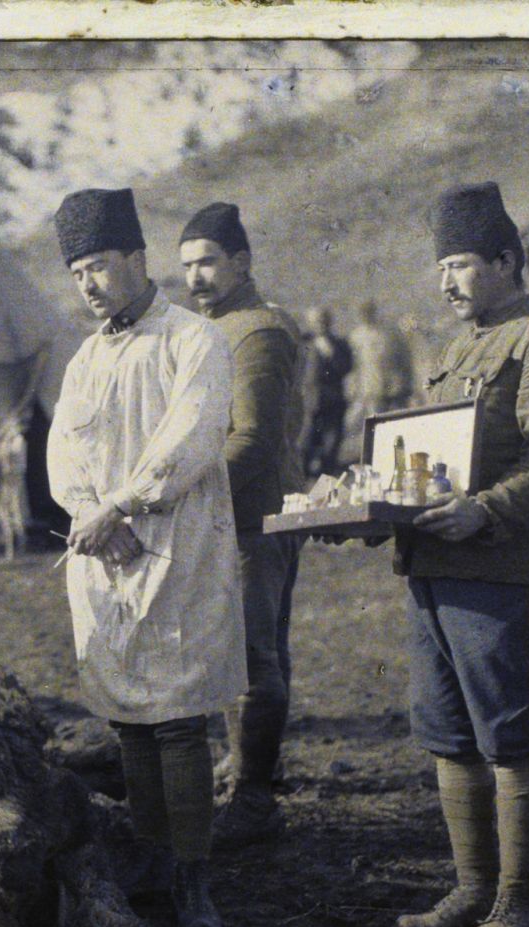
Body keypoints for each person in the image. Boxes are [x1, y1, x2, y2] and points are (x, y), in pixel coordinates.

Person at [392, 182, 529, 927]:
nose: (446, 282)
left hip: (496, 568)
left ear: (508, 261)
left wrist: (487, 511)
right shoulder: (450, 351)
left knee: (504, 732)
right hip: (432, 569)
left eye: (463, 264)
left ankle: (520, 901)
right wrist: (377, 508)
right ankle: (472, 889)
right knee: (445, 732)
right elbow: (426, 462)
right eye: (441, 266)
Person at [46, 187, 242, 927]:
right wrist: (92, 515)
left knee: (179, 720)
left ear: (136, 259)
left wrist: (124, 505)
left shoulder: (192, 339)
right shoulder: (86, 360)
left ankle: (193, 876)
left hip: (177, 543)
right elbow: (63, 455)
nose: (90, 284)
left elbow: (191, 437)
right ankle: (154, 860)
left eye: (98, 266)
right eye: (77, 274)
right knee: (129, 718)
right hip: (105, 553)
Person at [178, 202, 306, 848]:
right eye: (186, 266)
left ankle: (255, 797)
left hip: (254, 514)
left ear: (241, 262)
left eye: (206, 262)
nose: (195, 277)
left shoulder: (254, 331)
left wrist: (180, 494)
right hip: (237, 513)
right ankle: (250, 766)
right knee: (250, 649)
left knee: (253, 658)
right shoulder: (217, 327)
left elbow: (252, 440)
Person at [346, 298, 416, 436]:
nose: (365, 315)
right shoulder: (356, 336)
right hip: (371, 387)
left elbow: (405, 358)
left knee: (399, 422)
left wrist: (407, 382)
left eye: (368, 312)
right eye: (362, 313)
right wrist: (355, 386)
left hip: (395, 385)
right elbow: (354, 365)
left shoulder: (390, 333)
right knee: (376, 423)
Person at [300, 307, 355, 476]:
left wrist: (332, 355)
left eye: (324, 321)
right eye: (317, 321)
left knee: (333, 439)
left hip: (334, 398)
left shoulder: (339, 344)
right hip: (311, 399)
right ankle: (304, 472)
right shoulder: (303, 343)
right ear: (310, 323)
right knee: (308, 439)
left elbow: (347, 367)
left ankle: (327, 472)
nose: (321, 324)